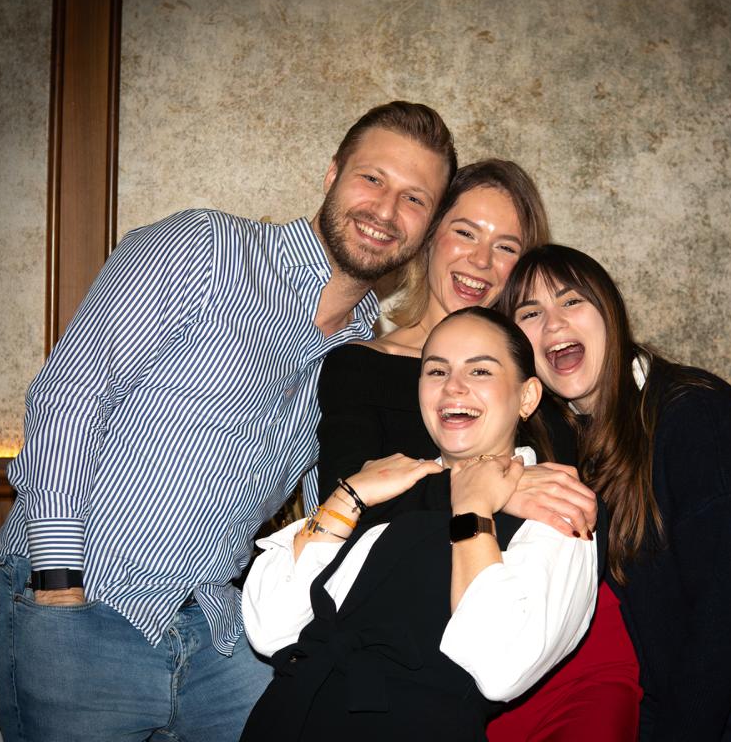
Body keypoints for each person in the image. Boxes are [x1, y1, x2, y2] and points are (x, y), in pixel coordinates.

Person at [0, 101, 456, 742]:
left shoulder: (359, 352)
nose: (385, 210)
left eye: (414, 198)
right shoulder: (204, 247)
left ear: (427, 227)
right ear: (332, 175)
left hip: (215, 623)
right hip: (86, 596)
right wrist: (59, 585)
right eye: (372, 178)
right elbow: (67, 398)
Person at [312, 161, 639, 740]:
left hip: (556, 644)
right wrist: (493, 489)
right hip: (418, 656)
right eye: (465, 232)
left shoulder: (537, 373)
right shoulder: (358, 366)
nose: (481, 261)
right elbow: (351, 511)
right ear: (429, 236)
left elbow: (581, 499)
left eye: (506, 246)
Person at [499, 245, 731, 741]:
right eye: (530, 313)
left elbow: (729, 607)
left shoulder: (696, 413)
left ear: (611, 313)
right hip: (667, 688)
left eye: (571, 301)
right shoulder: (566, 436)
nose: (553, 324)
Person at [239, 307, 599, 741]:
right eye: (436, 371)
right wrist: (349, 495)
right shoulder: (390, 482)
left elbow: (499, 667)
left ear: (527, 397)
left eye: (480, 370)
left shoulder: (554, 508)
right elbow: (272, 627)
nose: (453, 386)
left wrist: (473, 508)